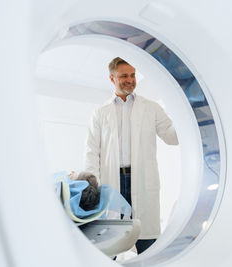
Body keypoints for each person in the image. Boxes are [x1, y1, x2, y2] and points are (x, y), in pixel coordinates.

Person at [84, 57, 178, 254]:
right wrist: (94, 186)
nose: (130, 80)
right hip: (113, 181)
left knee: (147, 244)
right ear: (112, 78)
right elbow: (92, 152)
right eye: (124, 76)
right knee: (109, 245)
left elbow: (172, 136)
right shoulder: (100, 113)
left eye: (133, 75)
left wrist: (186, 114)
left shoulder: (151, 108)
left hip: (142, 179)